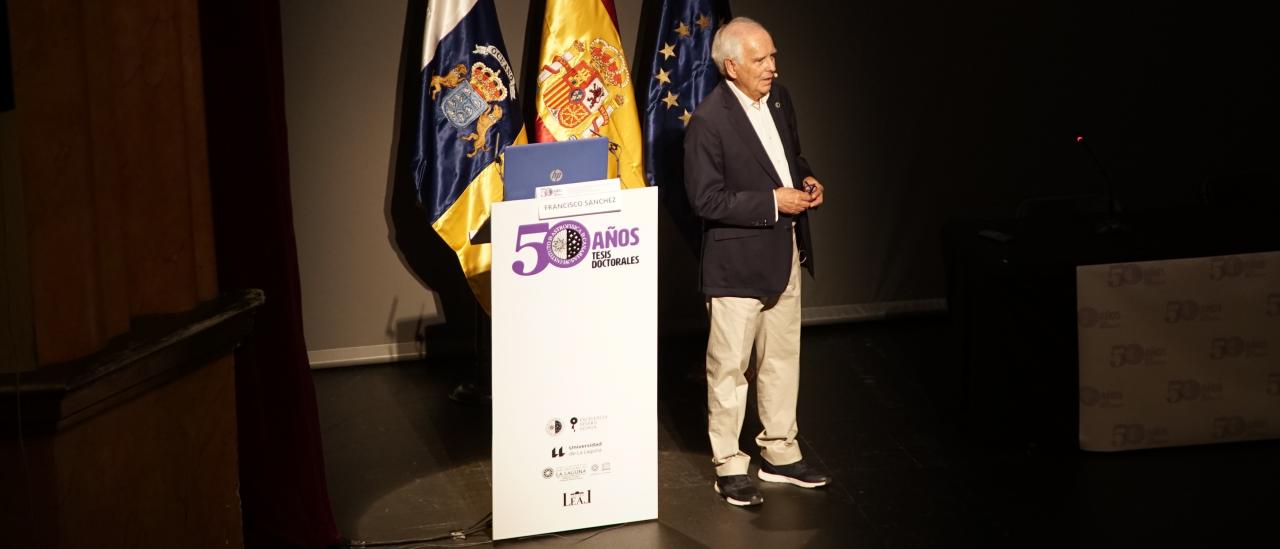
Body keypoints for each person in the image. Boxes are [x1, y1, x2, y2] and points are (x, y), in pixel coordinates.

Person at [683, 17, 831, 507]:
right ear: (731, 66)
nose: (772, 67)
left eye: (773, 55)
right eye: (760, 59)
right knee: (729, 368)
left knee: (782, 358)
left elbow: (791, 158)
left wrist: (806, 182)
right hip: (736, 265)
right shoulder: (708, 121)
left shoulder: (781, 99)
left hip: (786, 253)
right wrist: (774, 202)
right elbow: (706, 200)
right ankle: (729, 462)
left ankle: (780, 452)